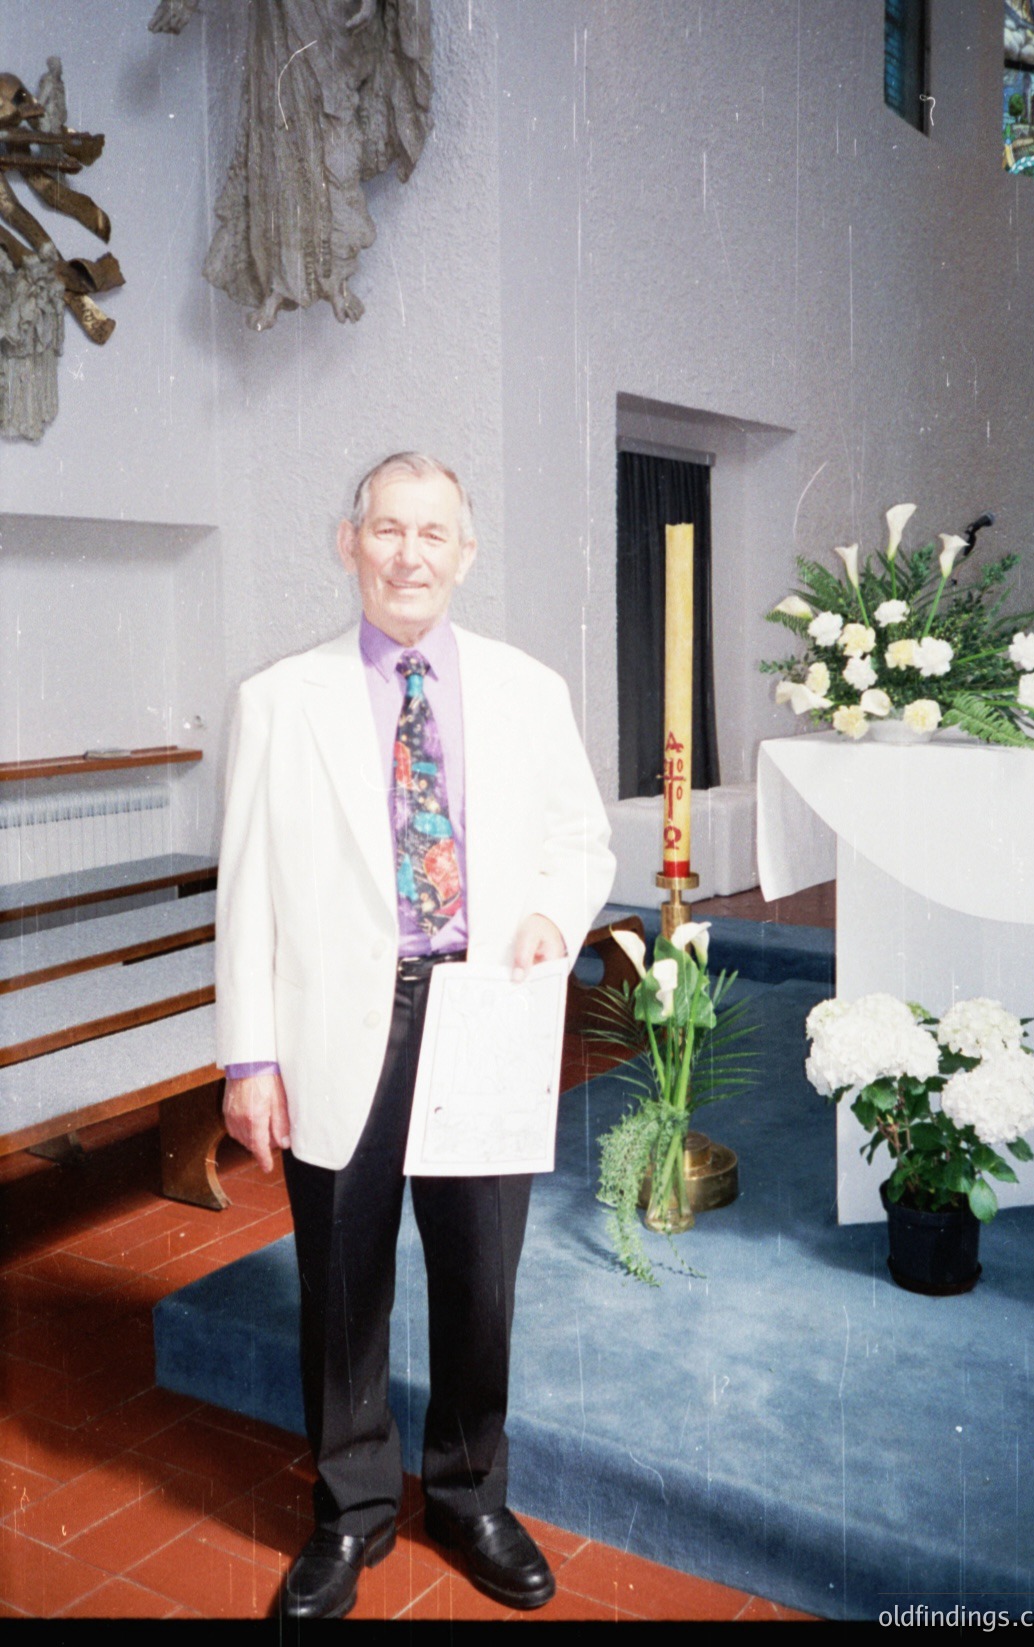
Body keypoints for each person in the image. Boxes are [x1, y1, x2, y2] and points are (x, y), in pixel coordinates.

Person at [215, 452, 615, 1619]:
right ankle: (350, 1512)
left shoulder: (527, 690)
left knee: (479, 1273)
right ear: (348, 544)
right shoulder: (278, 700)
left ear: (464, 555)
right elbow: (247, 893)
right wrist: (251, 1055)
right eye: (386, 529)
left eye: (432, 534)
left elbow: (581, 840)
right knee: (342, 1279)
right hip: (343, 1021)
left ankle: (469, 1492)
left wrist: (548, 913)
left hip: (483, 1011)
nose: (407, 554)